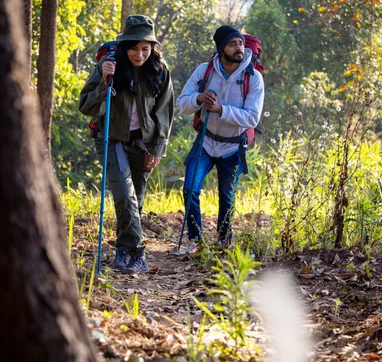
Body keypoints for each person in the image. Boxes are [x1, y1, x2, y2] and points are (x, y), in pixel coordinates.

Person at [79, 15, 174, 273]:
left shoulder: (159, 69)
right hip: (111, 139)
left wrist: (157, 148)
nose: (140, 54)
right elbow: (86, 106)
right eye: (134, 48)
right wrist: (103, 82)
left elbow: (164, 113)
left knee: (135, 201)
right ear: (125, 46)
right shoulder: (108, 64)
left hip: (143, 143)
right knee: (124, 195)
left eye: (146, 48)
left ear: (152, 48)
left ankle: (123, 250)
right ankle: (138, 254)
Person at [176, 25, 264, 253]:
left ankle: (224, 239)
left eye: (241, 44)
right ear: (220, 48)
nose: (239, 49)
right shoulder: (204, 71)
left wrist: (220, 109)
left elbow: (252, 118)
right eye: (232, 44)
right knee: (190, 189)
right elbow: (181, 104)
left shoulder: (253, 78)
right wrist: (198, 99)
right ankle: (194, 240)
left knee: (227, 196)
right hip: (205, 142)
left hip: (233, 146)